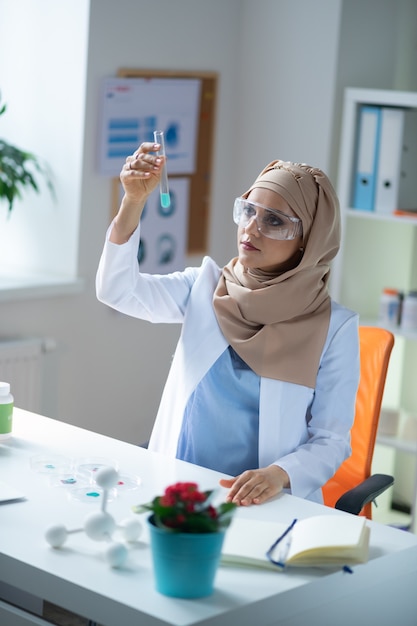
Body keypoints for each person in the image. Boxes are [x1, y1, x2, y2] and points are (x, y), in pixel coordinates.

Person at [96, 142, 360, 507]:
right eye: (248, 210)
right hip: (179, 488)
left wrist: (279, 474)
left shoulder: (335, 327)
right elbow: (118, 290)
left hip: (267, 502)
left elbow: (331, 440)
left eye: (274, 220)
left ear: (308, 242)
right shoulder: (205, 286)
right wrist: (133, 201)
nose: (251, 228)